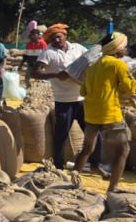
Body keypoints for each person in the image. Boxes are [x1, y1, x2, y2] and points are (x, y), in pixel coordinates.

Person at [74, 32, 136, 192]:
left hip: (91, 115)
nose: (126, 50)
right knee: (123, 149)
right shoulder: (117, 64)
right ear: (117, 49)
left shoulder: (93, 66)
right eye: (124, 47)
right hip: (110, 114)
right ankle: (112, 188)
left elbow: (83, 91)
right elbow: (131, 88)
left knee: (87, 149)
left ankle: (73, 182)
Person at [32, 23, 101, 170]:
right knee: (61, 136)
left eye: (59, 37)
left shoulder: (78, 48)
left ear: (65, 35)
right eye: (53, 38)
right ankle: (59, 166)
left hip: (82, 99)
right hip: (63, 101)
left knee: (93, 132)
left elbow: (91, 61)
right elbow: (35, 73)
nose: (56, 40)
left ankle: (95, 163)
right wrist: (56, 75)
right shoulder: (47, 53)